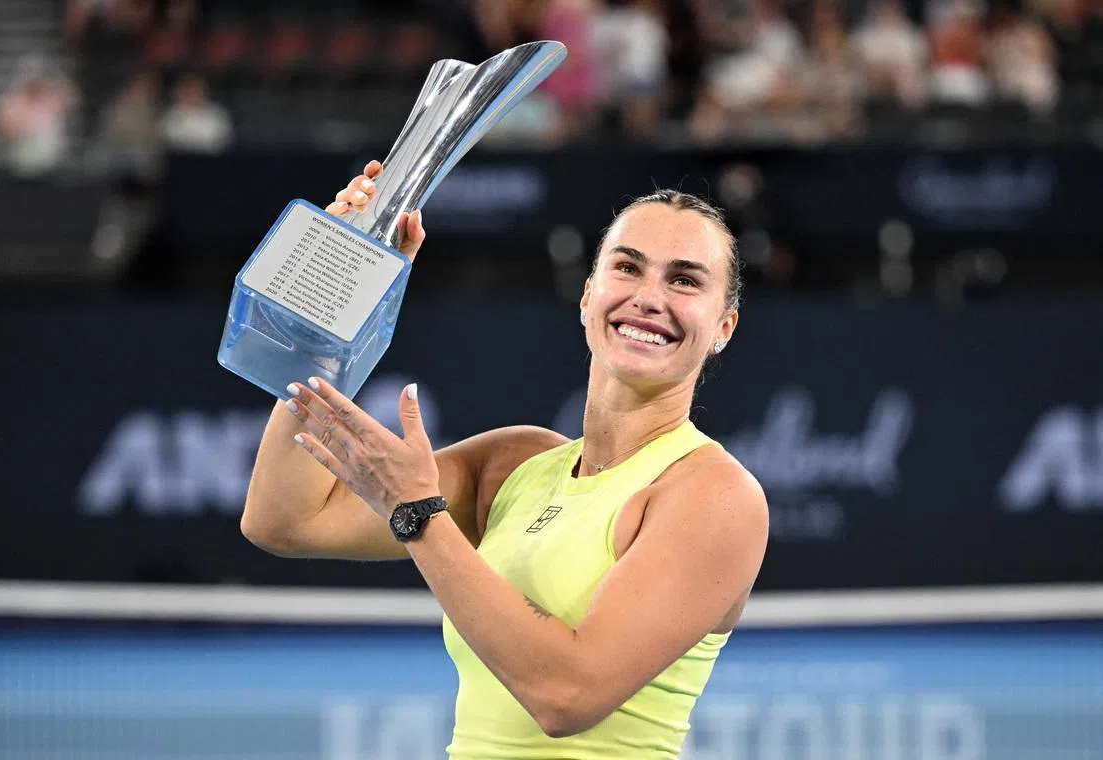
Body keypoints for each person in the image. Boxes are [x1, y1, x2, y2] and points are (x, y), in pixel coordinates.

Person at [240, 159, 769, 757]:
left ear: (724, 327)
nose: (649, 298)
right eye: (627, 267)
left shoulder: (715, 495)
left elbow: (567, 696)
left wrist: (418, 514)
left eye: (685, 281)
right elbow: (284, 519)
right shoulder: (515, 465)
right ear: (588, 296)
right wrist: (339, 305)